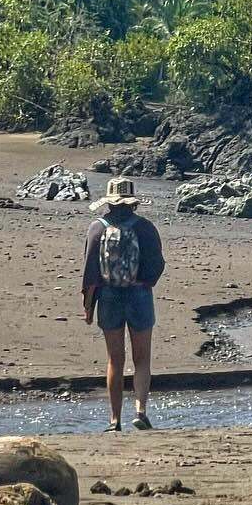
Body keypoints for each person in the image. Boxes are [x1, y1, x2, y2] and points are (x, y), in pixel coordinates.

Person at [82, 175, 165, 430]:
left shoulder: (96, 228)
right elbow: (157, 266)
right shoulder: (145, 227)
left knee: (114, 360)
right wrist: (145, 282)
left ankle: (114, 420)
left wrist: (88, 307)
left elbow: (90, 273)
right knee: (142, 360)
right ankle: (140, 411)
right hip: (139, 295)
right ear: (132, 202)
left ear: (109, 202)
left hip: (108, 297)